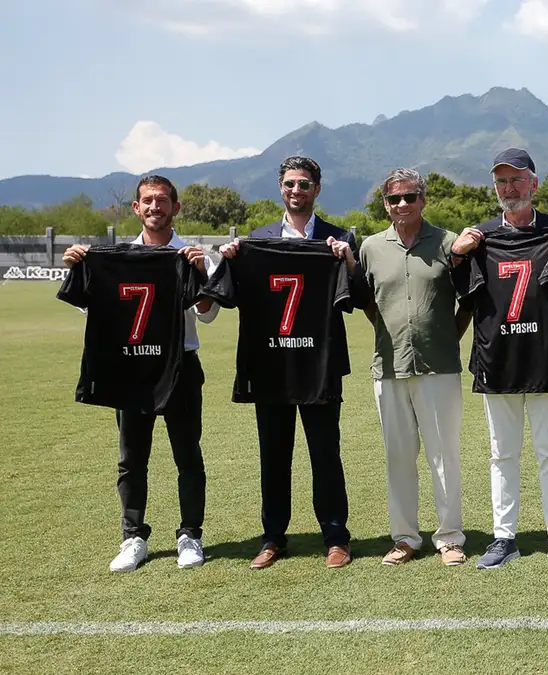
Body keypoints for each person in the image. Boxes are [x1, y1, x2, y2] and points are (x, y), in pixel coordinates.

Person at [62, 175, 218, 572]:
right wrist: (82, 267)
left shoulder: (191, 255)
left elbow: (208, 314)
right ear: (136, 207)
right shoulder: (116, 258)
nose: (154, 207)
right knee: (131, 458)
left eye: (162, 200)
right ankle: (133, 537)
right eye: (147, 200)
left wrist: (200, 273)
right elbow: (92, 309)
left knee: (188, 455)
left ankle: (190, 535)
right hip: (130, 367)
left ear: (175, 207)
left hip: (180, 366)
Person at [216, 156, 357, 570]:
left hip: (319, 363)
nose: (297, 190)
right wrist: (230, 258)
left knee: (325, 454)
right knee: (273, 455)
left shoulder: (338, 238)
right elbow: (225, 297)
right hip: (272, 364)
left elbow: (359, 297)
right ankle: (273, 537)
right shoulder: (256, 241)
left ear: (317, 189)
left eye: (305, 184)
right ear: (281, 187)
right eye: (290, 183)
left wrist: (348, 259)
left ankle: (336, 537)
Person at [449, 148, 548, 570]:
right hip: (497, 357)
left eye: (517, 179)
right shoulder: (480, 236)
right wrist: (457, 255)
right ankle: (504, 537)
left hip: (546, 356)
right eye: (502, 181)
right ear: (495, 187)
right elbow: (461, 292)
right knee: (501, 454)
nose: (510, 188)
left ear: (534, 184)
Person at [355, 168, 473, 567]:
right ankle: (405, 538)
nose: (402, 204)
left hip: (439, 367)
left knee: (444, 456)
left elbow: (468, 302)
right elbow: (368, 301)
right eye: (394, 198)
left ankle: (450, 538)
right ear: (385, 204)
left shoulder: (448, 243)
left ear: (423, 199)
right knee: (398, 458)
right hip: (388, 368)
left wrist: (448, 337)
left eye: (410, 196)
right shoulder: (371, 247)